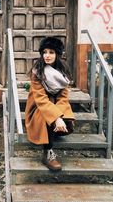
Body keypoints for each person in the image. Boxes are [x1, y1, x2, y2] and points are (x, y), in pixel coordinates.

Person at [25, 36, 75, 171]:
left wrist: (59, 116)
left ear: (57, 54)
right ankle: (48, 152)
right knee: (46, 115)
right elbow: (41, 99)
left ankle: (57, 128)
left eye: (51, 52)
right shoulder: (37, 71)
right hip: (37, 107)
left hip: (53, 105)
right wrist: (57, 118)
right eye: (45, 52)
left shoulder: (62, 72)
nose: (47, 56)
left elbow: (63, 97)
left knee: (62, 109)